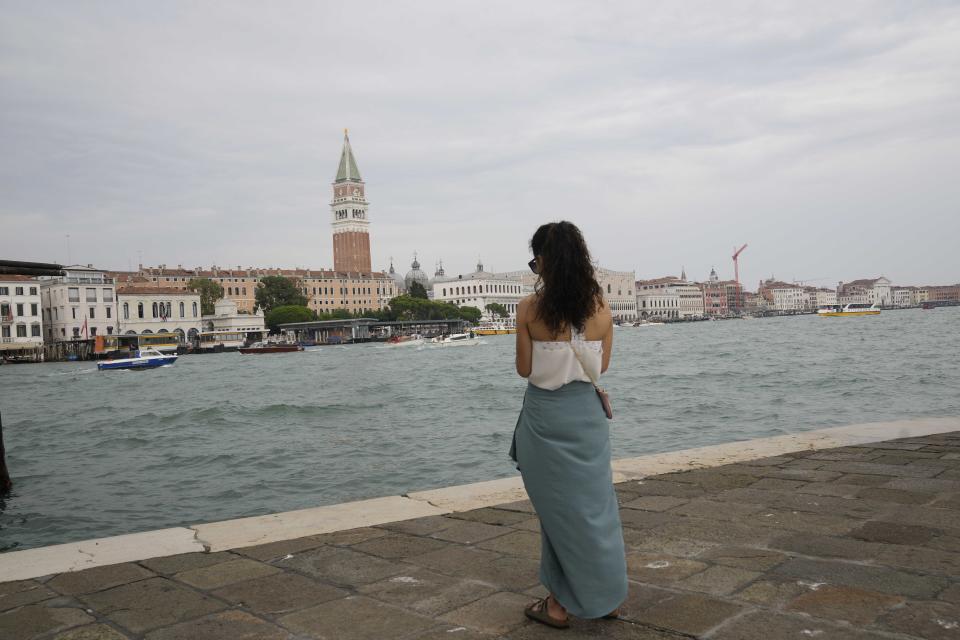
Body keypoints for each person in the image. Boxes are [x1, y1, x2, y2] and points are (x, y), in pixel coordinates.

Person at [510, 221, 627, 629]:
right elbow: (604, 366)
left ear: (544, 261)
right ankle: (607, 599)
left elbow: (525, 369)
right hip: (588, 419)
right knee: (596, 510)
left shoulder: (528, 308)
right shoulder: (602, 308)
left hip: (546, 417)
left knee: (557, 514)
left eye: (534, 260)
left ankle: (558, 604)